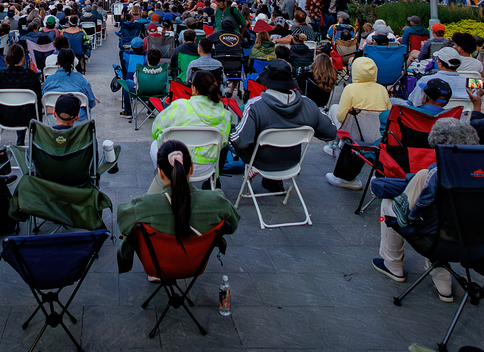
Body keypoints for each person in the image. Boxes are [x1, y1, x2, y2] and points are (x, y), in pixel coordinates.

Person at [371, 119, 482, 302]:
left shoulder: (432, 174)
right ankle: (443, 281)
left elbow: (404, 215)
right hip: (476, 241)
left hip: (433, 237)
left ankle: (393, 264)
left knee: (389, 204)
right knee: (444, 219)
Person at [116, 139, 241, 273]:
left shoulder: (143, 205)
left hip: (156, 266)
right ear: (191, 169)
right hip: (196, 265)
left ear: (160, 173)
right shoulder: (217, 201)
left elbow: (123, 224)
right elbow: (232, 226)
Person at [233, 63, 336, 191]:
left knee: (236, 136)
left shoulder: (255, 106)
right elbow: (330, 133)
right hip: (292, 163)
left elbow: (240, 142)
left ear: (266, 82)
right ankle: (273, 182)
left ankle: (254, 174)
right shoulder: (308, 104)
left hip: (261, 163)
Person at [150, 70, 232, 184]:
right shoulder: (224, 115)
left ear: (194, 89)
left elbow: (155, 131)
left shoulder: (179, 107)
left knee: (155, 144)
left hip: (176, 164)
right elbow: (223, 142)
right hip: (207, 167)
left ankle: (165, 181)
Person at [0, 43, 42, 135]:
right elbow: (38, 96)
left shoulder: (1, 76)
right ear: (23, 58)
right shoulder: (30, 75)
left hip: (5, 118)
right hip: (28, 118)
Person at [41, 48, 96, 123]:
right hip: (78, 121)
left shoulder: (49, 80)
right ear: (73, 62)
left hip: (54, 120)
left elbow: (43, 99)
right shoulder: (82, 80)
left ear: (57, 62)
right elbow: (91, 102)